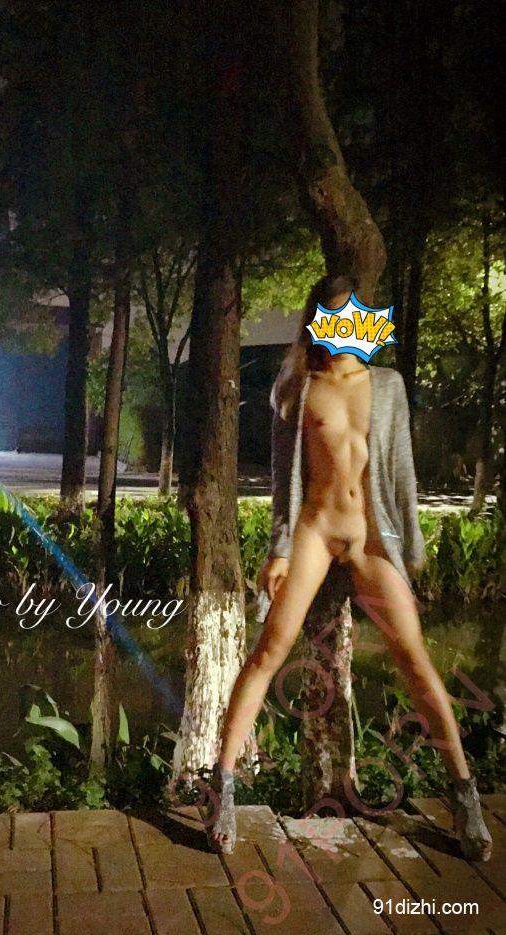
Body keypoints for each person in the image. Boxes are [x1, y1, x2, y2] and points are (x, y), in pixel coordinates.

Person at [207, 275, 493, 862]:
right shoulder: (297, 389)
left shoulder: (387, 387)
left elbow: (403, 473)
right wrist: (278, 552)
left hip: (369, 538)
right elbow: (284, 481)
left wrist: (410, 544)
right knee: (268, 651)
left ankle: (465, 795)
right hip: (314, 533)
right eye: (333, 317)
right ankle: (222, 788)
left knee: (414, 659)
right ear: (317, 323)